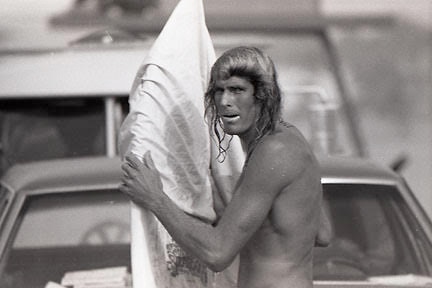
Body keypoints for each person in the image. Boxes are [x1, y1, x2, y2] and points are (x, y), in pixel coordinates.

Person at [120, 46, 331, 288]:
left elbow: (216, 253)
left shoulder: (273, 152)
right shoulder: (291, 139)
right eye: (219, 91)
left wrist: (155, 198)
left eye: (237, 90)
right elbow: (322, 233)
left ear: (263, 94)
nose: (224, 101)